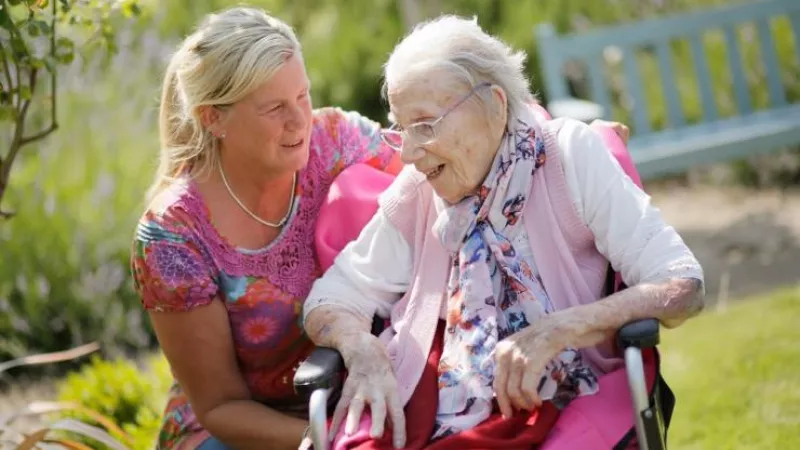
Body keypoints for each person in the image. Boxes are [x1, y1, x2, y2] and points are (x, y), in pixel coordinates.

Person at [302, 15, 705, 450]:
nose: (412, 153)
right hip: (442, 413)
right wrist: (359, 346)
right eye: (402, 129)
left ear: (494, 105)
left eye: (425, 125)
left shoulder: (567, 156)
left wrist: (562, 328)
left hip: (571, 399)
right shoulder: (419, 191)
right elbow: (331, 298)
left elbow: (682, 283)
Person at [129, 6, 404, 450]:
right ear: (213, 118)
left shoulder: (336, 142)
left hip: (353, 400)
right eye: (274, 107)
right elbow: (219, 407)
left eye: (302, 95)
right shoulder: (173, 235)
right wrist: (328, 441)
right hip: (244, 431)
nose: (299, 121)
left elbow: (436, 175)